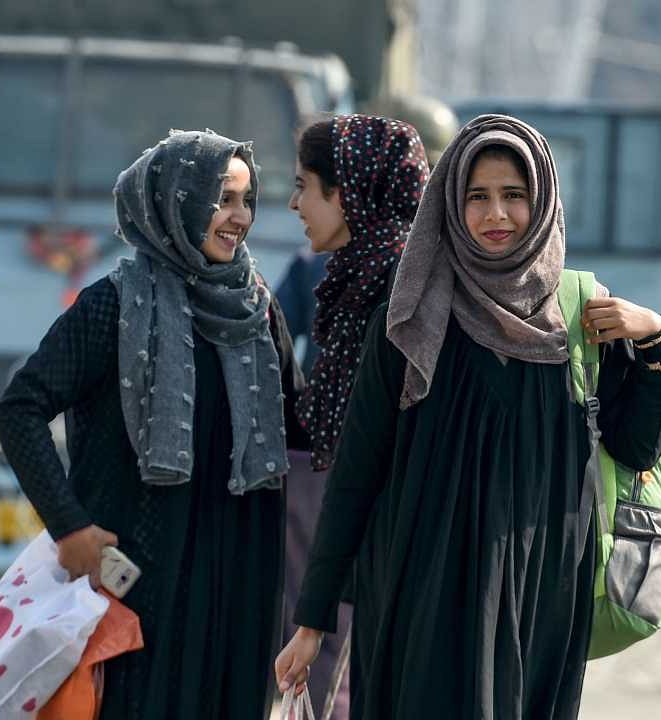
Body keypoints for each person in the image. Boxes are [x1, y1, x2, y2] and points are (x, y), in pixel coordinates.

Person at [274, 114, 661, 719]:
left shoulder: (580, 315)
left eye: (514, 196)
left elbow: (636, 447)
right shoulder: (410, 316)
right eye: (478, 197)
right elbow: (357, 474)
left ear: (541, 200)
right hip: (419, 593)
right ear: (448, 203)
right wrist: (312, 621)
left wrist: (659, 341)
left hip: (538, 598)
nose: (497, 215)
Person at [0, 129, 306, 720]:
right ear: (175, 202)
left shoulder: (257, 309)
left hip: (237, 580)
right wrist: (70, 527)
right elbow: (19, 410)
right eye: (222, 199)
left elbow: (304, 427)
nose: (239, 217)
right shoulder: (111, 306)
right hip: (138, 579)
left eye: (246, 200)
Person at [279, 114, 429, 716]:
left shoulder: (397, 291)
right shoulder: (359, 270)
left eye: (304, 187)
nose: (294, 204)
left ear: (345, 193)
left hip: (380, 530)